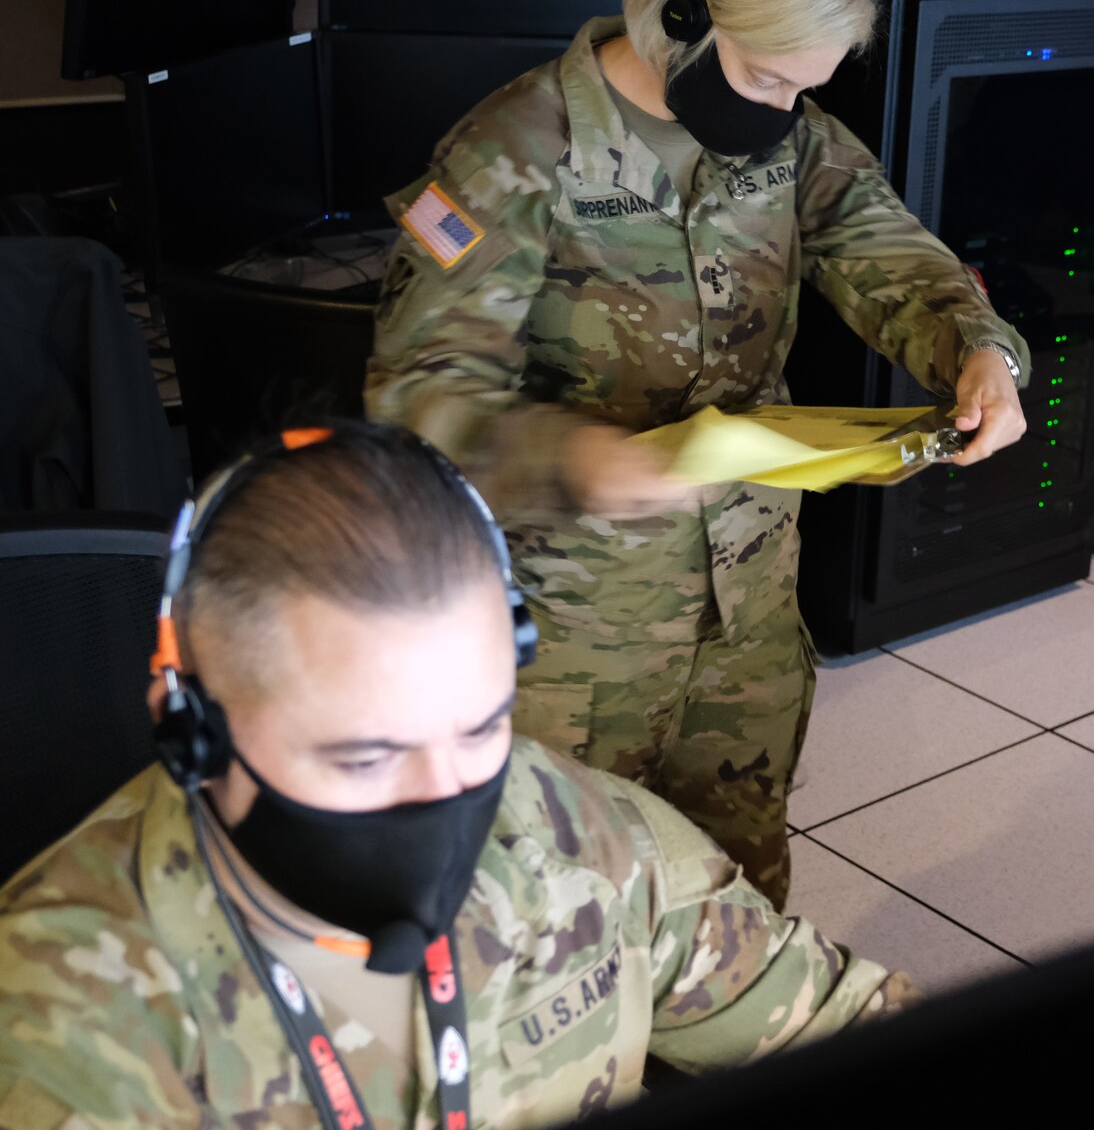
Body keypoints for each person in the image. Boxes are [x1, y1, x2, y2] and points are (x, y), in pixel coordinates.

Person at [366, 0, 1030, 909]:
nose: (784, 109)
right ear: (681, 12)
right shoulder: (512, 154)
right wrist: (577, 457)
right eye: (767, 77)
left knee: (737, 895)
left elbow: (884, 249)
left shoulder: (791, 135)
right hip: (573, 640)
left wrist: (978, 349)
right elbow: (416, 400)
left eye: (804, 89)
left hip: (749, 618)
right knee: (565, 927)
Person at [0, 424, 910, 1129]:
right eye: (365, 756)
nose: (453, 798)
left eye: (480, 727)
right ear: (193, 732)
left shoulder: (578, 833)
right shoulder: (66, 1032)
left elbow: (839, 1023)